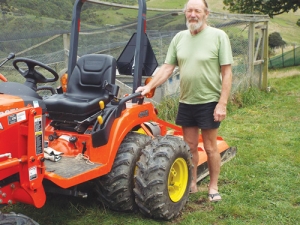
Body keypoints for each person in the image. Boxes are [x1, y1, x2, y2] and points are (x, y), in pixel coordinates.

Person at [136, 0, 233, 202]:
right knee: (189, 145)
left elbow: (227, 72)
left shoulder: (218, 36)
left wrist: (222, 103)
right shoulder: (179, 38)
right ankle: (192, 183)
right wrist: (149, 86)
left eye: (197, 10)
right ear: (185, 14)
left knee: (210, 147)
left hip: (209, 101)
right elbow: (167, 68)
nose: (192, 14)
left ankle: (213, 187)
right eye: (189, 11)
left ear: (206, 13)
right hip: (187, 101)